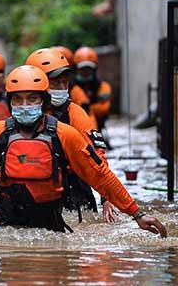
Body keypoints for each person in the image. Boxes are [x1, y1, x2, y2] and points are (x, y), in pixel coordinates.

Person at [0, 66, 167, 235]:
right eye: (18, 99)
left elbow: (99, 175)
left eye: (32, 98)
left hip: (50, 225)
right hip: (7, 224)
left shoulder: (65, 135)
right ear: (10, 102)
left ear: (43, 102)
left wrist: (136, 213)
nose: (25, 105)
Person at [25, 48, 118, 223]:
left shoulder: (75, 113)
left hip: (73, 192)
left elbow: (97, 156)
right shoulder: (20, 114)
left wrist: (106, 196)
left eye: (64, 83)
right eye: (55, 83)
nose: (61, 88)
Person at [72, 47, 112, 131]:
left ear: (94, 69)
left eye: (89, 69)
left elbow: (103, 109)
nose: (85, 72)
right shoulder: (71, 87)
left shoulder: (103, 86)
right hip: (75, 128)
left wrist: (84, 109)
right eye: (82, 69)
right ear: (76, 69)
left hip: (98, 127)